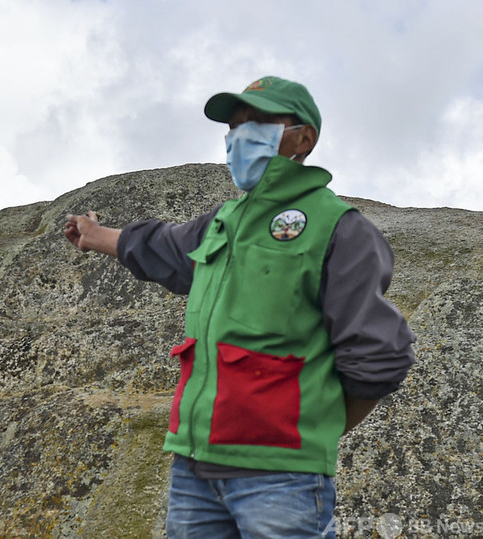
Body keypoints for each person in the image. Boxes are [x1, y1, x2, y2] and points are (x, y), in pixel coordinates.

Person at [64, 76, 415, 538]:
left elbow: (379, 355)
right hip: (194, 468)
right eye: (233, 127)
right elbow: (165, 248)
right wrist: (96, 235)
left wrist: (316, 431)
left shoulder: (340, 229)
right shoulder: (223, 223)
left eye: (258, 123)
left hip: (282, 476)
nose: (239, 138)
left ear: (303, 138)